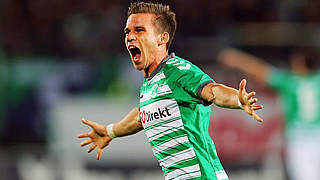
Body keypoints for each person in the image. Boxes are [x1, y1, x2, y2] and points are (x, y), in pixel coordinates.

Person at [77, 2, 263, 180]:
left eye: (139, 30)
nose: (130, 36)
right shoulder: (150, 84)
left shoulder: (177, 71)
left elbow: (212, 91)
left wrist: (237, 99)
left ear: (162, 38)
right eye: (128, 31)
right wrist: (110, 131)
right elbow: (141, 115)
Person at [218, 47, 320, 180]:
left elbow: (260, 70)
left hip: (299, 138)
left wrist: (237, 59)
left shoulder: (290, 81)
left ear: (301, 64)